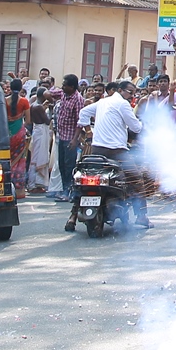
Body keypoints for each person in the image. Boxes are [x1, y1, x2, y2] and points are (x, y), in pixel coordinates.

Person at [66, 80, 147, 232]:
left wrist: (89, 132)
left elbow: (83, 113)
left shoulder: (103, 102)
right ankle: (142, 216)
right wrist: (143, 125)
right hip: (117, 152)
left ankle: (72, 217)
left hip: (96, 151)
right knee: (137, 179)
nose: (132, 95)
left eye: (133, 93)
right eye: (130, 92)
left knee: (83, 181)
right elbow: (135, 127)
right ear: (121, 90)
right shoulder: (122, 104)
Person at [51, 74, 84, 200]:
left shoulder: (78, 99)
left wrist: (75, 139)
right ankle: (64, 189)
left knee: (69, 166)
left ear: (72, 87)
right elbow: (48, 93)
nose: (63, 87)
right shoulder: (64, 94)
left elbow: (79, 121)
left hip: (70, 138)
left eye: (65, 85)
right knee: (61, 165)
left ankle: (69, 192)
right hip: (61, 136)